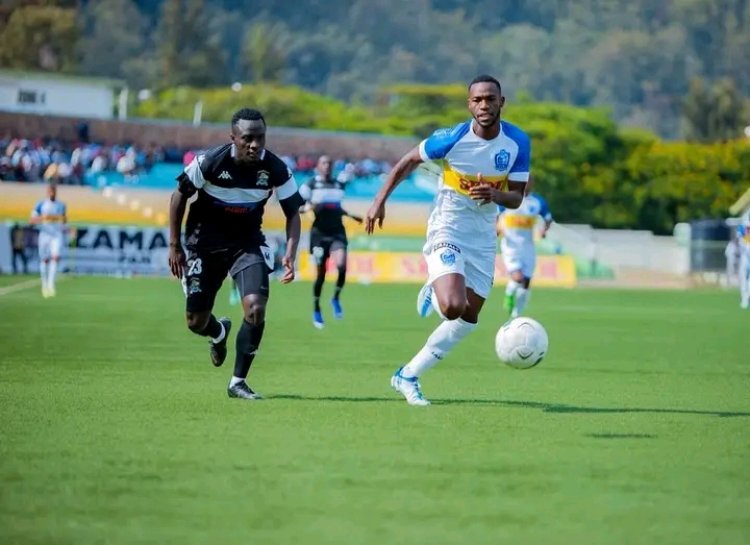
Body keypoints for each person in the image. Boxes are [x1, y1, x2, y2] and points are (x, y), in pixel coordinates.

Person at [365, 74, 530, 406]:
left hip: (483, 236)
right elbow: (409, 160)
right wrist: (378, 201)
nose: (484, 105)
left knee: (467, 320)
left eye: (490, 99)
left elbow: (516, 197)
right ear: (469, 105)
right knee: (452, 307)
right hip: (448, 225)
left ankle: (407, 376)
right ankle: (437, 279)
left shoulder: (517, 142)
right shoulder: (451, 138)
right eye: (477, 100)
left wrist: (495, 194)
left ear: (501, 102)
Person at [168, 108, 303, 400]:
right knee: (195, 321)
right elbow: (179, 196)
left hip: (247, 244)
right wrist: (175, 246)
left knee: (255, 308)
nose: (255, 144)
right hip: (203, 245)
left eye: (260, 137)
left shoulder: (276, 168)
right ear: (233, 138)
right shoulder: (210, 162)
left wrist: (291, 254)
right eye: (247, 138)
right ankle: (218, 332)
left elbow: (293, 213)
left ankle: (238, 382)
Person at [299, 155, 363, 328]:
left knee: (342, 266)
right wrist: (308, 207)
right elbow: (298, 207)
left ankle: (335, 298)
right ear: (318, 166)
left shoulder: (338, 185)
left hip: (337, 232)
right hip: (319, 235)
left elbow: (336, 207)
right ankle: (316, 308)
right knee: (321, 274)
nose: (327, 166)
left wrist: (351, 216)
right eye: (324, 163)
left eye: (329, 163)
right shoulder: (310, 185)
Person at [496, 183, 552, 318]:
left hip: (528, 246)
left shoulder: (537, 201)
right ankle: (509, 293)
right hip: (510, 245)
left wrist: (544, 230)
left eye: (529, 181)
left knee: (526, 282)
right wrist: (497, 228)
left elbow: (548, 218)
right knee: (518, 277)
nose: (526, 184)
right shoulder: (509, 198)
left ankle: (516, 314)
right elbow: (495, 214)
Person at [30, 183, 67, 297]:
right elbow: (32, 220)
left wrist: (63, 222)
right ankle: (44, 284)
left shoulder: (61, 205)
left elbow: (64, 219)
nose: (52, 193)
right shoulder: (41, 204)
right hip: (44, 234)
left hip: (56, 235)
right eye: (50, 191)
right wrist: (43, 217)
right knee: (44, 259)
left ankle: (51, 285)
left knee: (55, 257)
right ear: (47, 192)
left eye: (54, 191)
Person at [737, 213, 750, 310]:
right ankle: (744, 297)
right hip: (745, 256)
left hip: (746, 256)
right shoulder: (743, 225)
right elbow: (740, 239)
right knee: (743, 279)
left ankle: (746, 297)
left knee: (747, 280)